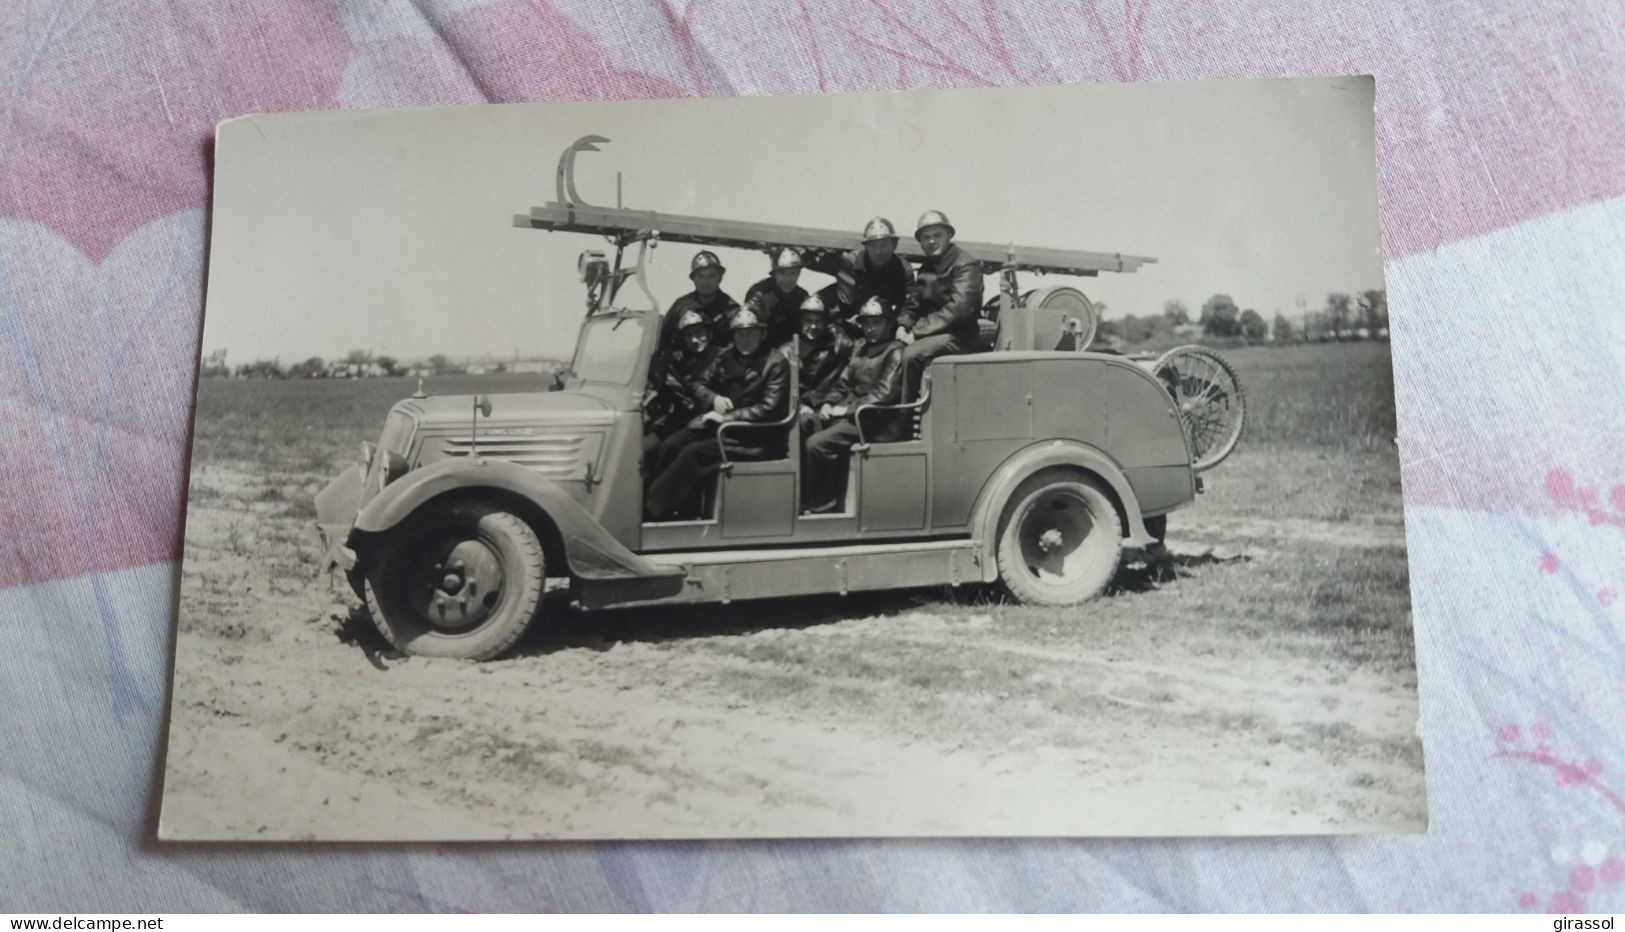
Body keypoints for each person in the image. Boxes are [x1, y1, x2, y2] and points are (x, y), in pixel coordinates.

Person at [644, 308, 790, 521]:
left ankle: (653, 513)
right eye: (740, 334)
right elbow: (698, 384)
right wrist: (713, 399)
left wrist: (726, 418)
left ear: (762, 334)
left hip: (755, 436)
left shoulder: (775, 363)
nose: (745, 339)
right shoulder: (726, 357)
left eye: (751, 333)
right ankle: (670, 508)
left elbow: (769, 409)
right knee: (672, 444)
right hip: (725, 431)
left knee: (694, 453)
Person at [800, 297, 906, 514]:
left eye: (876, 323)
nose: (870, 329)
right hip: (853, 417)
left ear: (888, 324)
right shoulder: (860, 349)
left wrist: (846, 409)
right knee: (805, 426)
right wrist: (829, 403)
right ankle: (805, 498)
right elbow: (843, 383)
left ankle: (824, 507)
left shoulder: (896, 352)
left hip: (874, 420)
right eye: (866, 323)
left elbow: (884, 394)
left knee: (817, 444)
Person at [898, 209, 983, 402]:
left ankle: (902, 418)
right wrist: (903, 325)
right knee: (892, 348)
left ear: (949, 235)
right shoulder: (928, 266)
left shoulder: (966, 265)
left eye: (937, 235)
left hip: (959, 336)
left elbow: (959, 309)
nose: (931, 241)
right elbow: (914, 301)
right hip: (934, 333)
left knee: (912, 354)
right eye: (926, 237)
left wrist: (917, 332)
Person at [806, 216, 916, 335]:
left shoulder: (903, 269)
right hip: (844, 324)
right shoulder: (849, 262)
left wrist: (902, 326)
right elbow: (811, 260)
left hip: (878, 328)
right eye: (873, 246)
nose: (878, 252)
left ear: (894, 245)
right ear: (866, 247)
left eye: (884, 245)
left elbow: (909, 304)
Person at [642, 309, 721, 463]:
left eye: (699, 333)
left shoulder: (722, 357)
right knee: (643, 449)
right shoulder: (677, 360)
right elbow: (664, 391)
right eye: (688, 335)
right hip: (679, 419)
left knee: (670, 448)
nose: (694, 340)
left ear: (709, 333)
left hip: (707, 422)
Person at [660, 250, 740, 355]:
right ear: (693, 279)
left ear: (720, 278)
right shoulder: (680, 307)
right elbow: (664, 341)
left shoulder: (732, 310)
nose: (706, 282)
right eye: (701, 276)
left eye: (711, 276)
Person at [792, 294, 853, 429]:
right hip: (798, 412)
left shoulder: (838, 348)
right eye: (808, 321)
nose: (813, 326)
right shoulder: (786, 351)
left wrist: (829, 402)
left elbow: (843, 382)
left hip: (829, 409)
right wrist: (799, 406)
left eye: (818, 321)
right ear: (800, 322)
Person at [741, 247, 808, 349]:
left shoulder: (801, 296)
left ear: (799, 273)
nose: (788, 279)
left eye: (793, 273)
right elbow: (749, 331)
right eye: (783, 273)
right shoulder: (759, 294)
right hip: (762, 351)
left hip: (790, 351)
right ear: (774, 274)